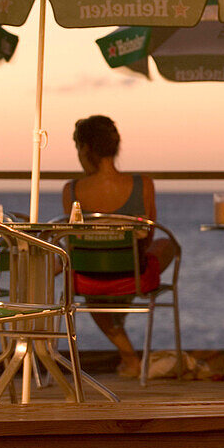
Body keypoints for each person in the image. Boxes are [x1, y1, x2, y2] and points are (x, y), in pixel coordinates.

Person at [62, 115, 179, 378]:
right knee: (164, 244)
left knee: (92, 275)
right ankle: (127, 342)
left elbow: (73, 243)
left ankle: (129, 356)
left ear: (85, 149)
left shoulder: (71, 190)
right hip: (134, 278)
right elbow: (147, 238)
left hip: (87, 280)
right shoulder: (143, 185)